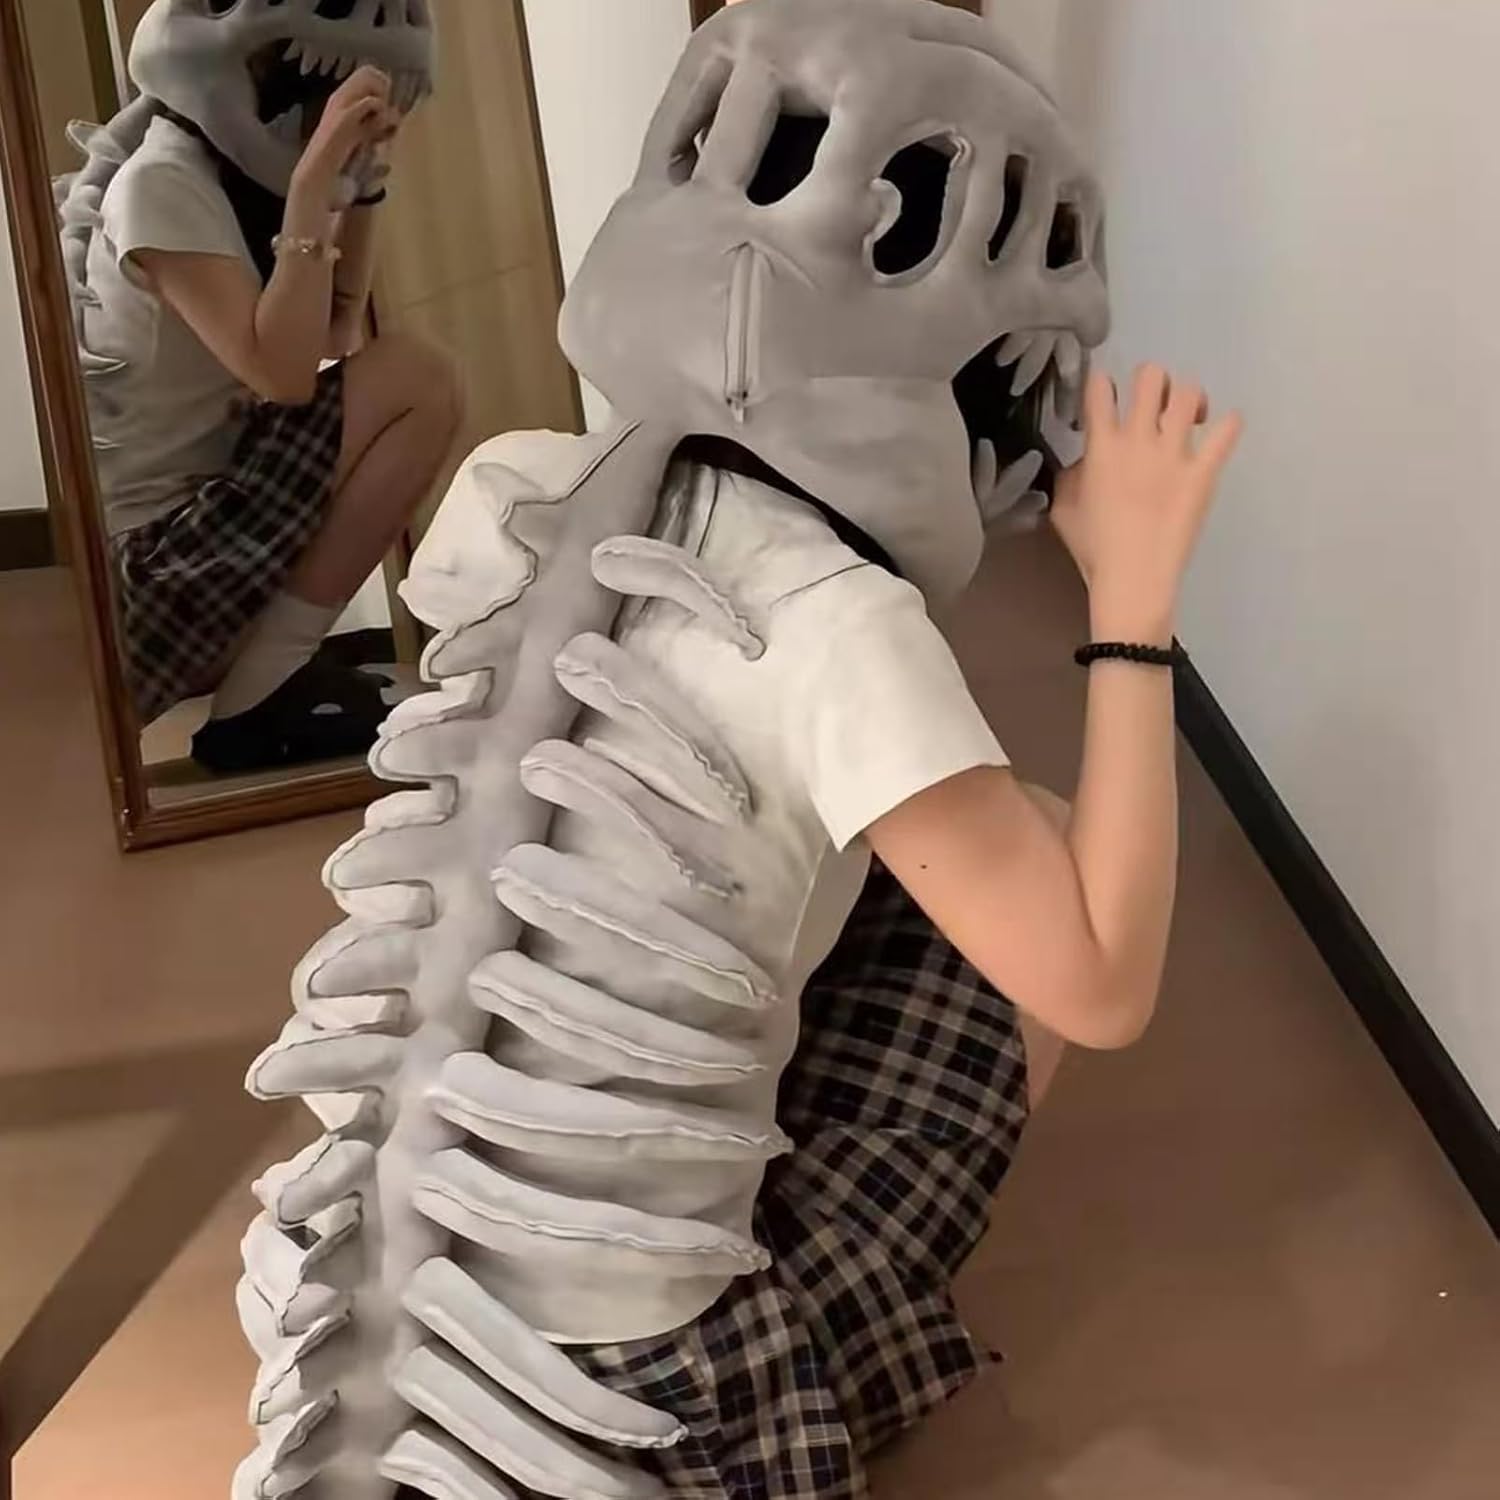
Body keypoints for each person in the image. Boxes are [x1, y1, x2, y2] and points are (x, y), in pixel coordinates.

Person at [78, 56, 462, 771]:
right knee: (417, 377)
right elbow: (284, 378)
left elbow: (334, 333)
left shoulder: (225, 182)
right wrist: (314, 183)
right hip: (147, 583)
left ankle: (267, 686)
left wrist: (360, 183)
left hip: (197, 539)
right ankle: (262, 695)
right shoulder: (161, 181)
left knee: (418, 378)